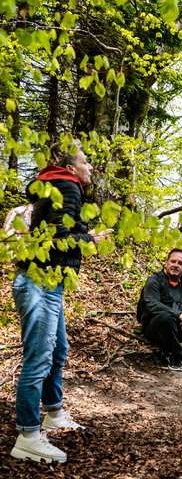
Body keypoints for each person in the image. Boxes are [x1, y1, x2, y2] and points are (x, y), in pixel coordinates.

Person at [10, 141, 110, 464]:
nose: (90, 167)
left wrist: (86, 233)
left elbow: (58, 230)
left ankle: (52, 412)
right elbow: (59, 238)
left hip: (48, 282)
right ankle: (27, 436)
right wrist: (91, 240)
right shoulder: (67, 186)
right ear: (71, 167)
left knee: (58, 349)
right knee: (39, 358)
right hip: (39, 282)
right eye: (85, 161)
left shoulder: (56, 184)